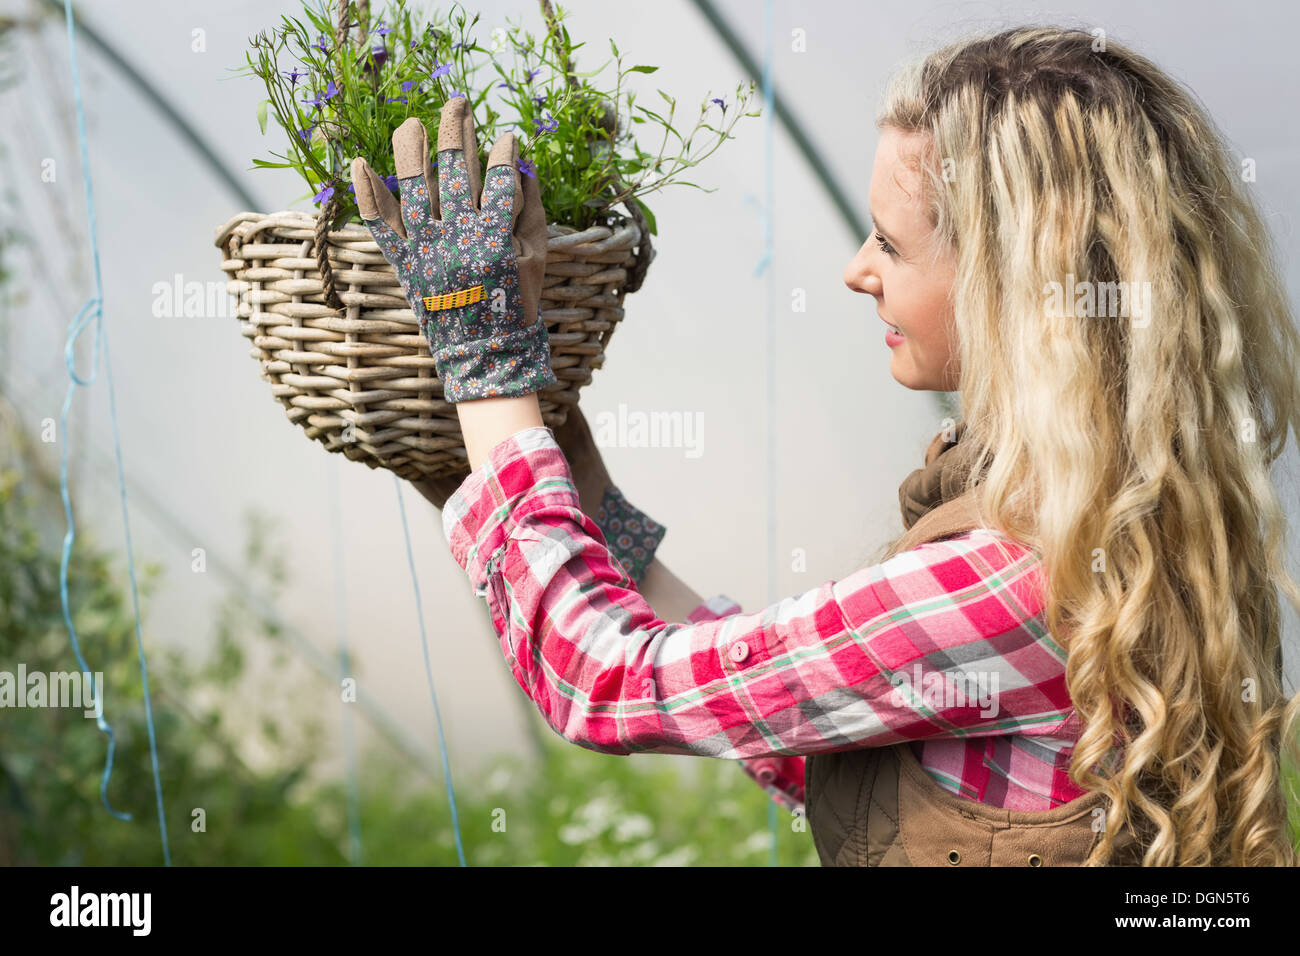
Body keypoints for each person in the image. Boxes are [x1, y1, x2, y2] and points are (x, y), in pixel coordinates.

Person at [352, 25, 1300, 866]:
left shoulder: (1010, 577)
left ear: (1012, 285)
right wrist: (576, 480)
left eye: (890, 245)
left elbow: (605, 680)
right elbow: (807, 715)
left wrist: (480, 357)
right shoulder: (1129, 525)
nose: (856, 270)